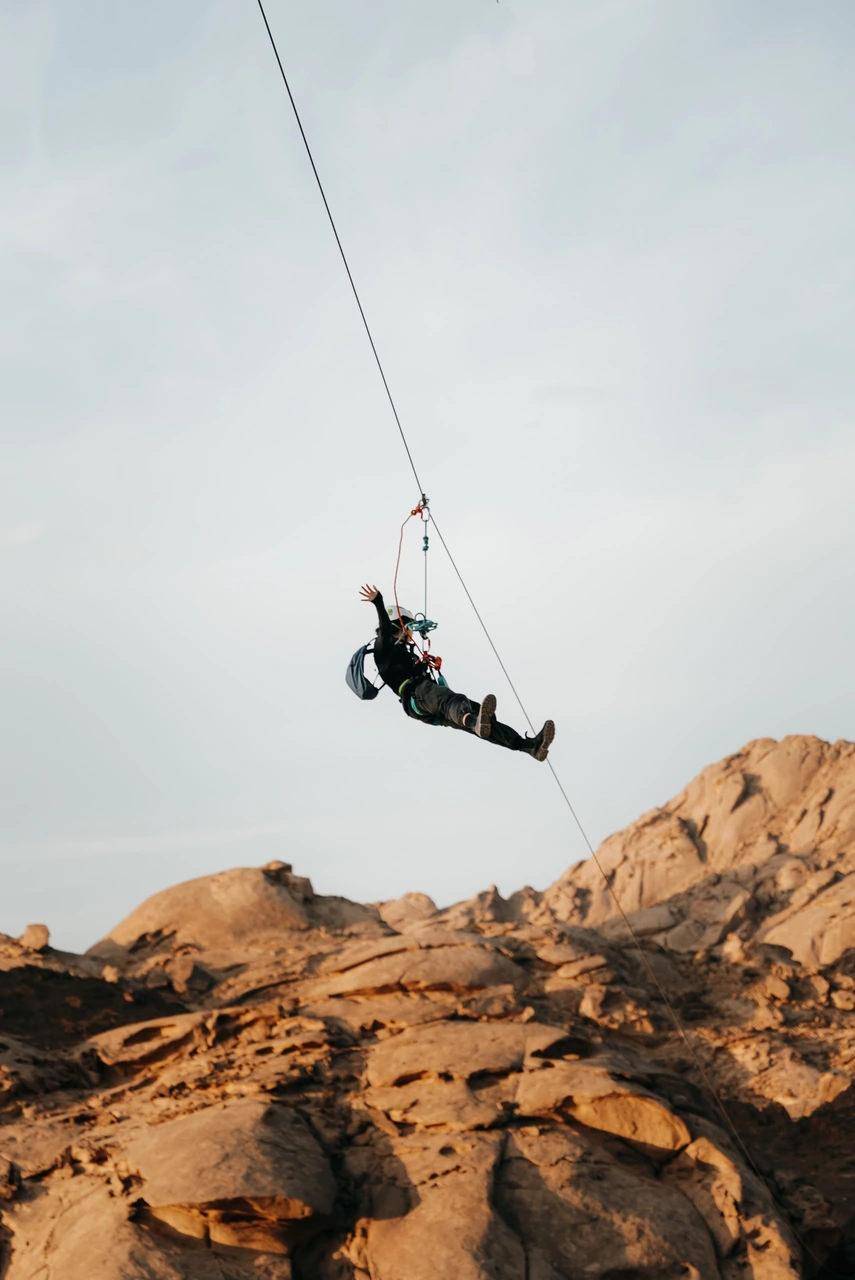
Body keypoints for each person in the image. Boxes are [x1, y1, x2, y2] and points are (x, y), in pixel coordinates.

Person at [357, 584, 555, 761]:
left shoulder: (403, 653)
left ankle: (530, 747)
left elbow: (407, 668)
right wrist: (378, 601)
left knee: (476, 713)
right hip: (416, 694)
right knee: (453, 702)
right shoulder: (382, 646)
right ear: (400, 624)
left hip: (425, 701)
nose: (411, 633)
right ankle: (473, 721)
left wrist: (423, 664)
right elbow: (384, 628)